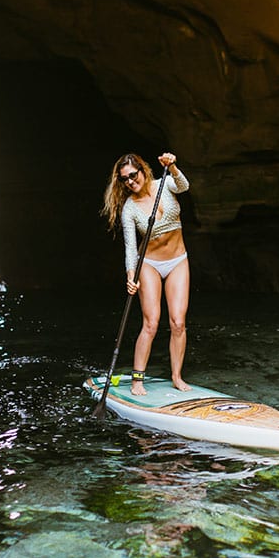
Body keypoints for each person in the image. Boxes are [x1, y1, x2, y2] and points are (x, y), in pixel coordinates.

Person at [101, 152, 192, 396]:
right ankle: (137, 380)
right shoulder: (129, 209)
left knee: (178, 322)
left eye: (133, 174)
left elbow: (183, 185)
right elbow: (131, 248)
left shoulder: (163, 184)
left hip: (177, 261)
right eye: (125, 179)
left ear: (142, 170)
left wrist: (172, 166)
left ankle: (176, 376)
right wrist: (131, 275)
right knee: (151, 323)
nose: (131, 181)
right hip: (149, 263)